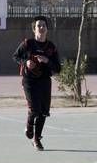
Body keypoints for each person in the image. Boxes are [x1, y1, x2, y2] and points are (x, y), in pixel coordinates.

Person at [13, 16, 61, 151]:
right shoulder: (27, 44)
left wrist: (47, 61)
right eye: (38, 26)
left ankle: (37, 139)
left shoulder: (51, 47)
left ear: (47, 29)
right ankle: (29, 127)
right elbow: (16, 56)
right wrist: (25, 62)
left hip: (45, 81)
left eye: (43, 25)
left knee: (43, 112)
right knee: (35, 109)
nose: (41, 28)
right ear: (34, 29)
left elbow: (58, 68)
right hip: (29, 80)